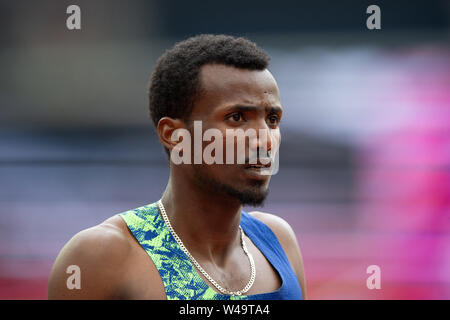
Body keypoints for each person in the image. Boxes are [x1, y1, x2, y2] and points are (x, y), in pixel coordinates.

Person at [48, 34, 307, 300]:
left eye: (273, 120)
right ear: (174, 135)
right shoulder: (104, 257)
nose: (265, 139)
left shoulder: (277, 241)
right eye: (237, 118)